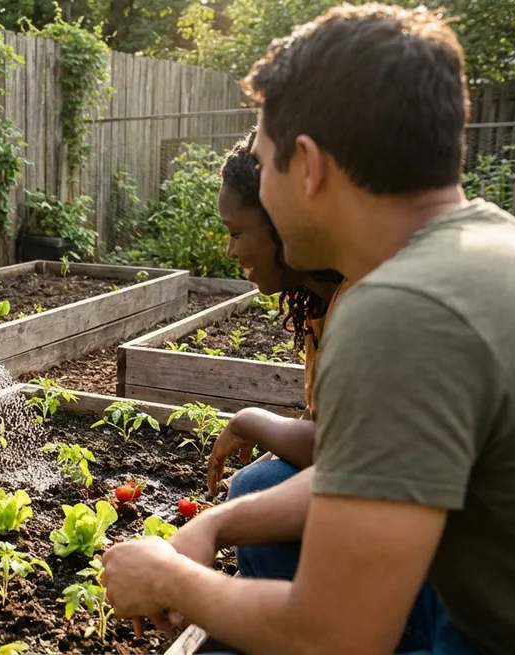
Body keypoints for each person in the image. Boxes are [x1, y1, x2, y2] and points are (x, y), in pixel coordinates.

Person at [103, 5, 515, 655]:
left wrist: (167, 574)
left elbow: (335, 635)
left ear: (308, 167)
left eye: (265, 160)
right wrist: (219, 523)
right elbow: (363, 471)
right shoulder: (499, 249)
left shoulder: (400, 312)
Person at [208, 129, 344, 578]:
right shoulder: (321, 303)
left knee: (257, 486)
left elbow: (344, 454)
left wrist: (251, 421)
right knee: (258, 483)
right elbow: (321, 421)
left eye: (237, 232)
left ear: (284, 221)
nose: (231, 250)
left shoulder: (361, 304)